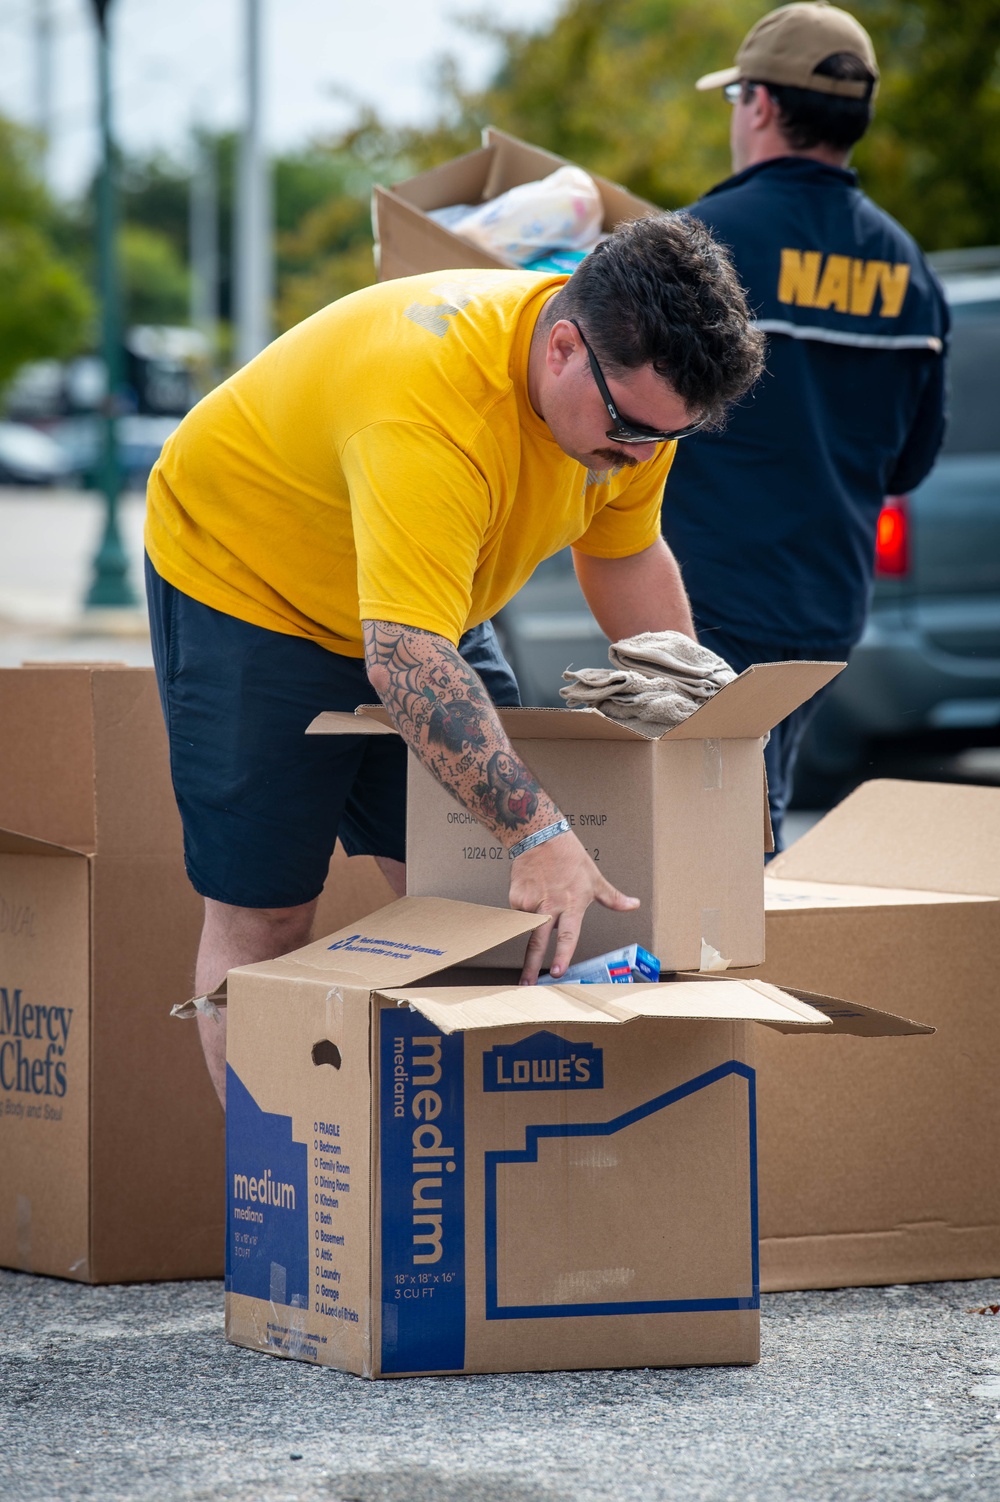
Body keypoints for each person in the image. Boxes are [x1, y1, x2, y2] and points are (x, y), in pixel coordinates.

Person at [145, 214, 765, 1104]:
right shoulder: (431, 406)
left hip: (426, 599)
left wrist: (698, 730)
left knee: (480, 906)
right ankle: (277, 1198)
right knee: (269, 908)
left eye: (667, 439)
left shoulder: (633, 411)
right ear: (562, 349)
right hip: (250, 586)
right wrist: (536, 831)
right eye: (631, 428)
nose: (637, 455)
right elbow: (403, 659)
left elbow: (623, 554)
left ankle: (462, 1181)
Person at [661, 0, 949, 848]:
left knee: (695, 835)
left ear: (759, 103)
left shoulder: (702, 245)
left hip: (698, 599)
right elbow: (911, 464)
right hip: (826, 608)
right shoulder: (908, 270)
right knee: (749, 814)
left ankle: (710, 973)